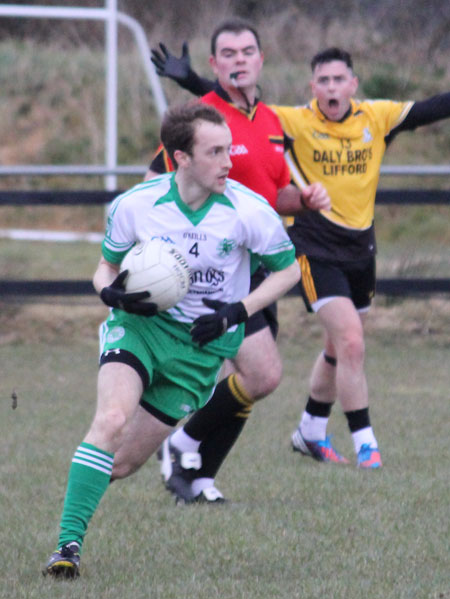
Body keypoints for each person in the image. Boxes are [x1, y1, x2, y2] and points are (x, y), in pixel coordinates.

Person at [148, 44, 450, 469]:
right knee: (349, 340)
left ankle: (311, 428)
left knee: (338, 345)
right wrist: (193, 81)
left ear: (353, 84)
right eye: (322, 80)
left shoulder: (377, 117)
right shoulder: (293, 120)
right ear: (312, 87)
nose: (331, 87)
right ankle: (367, 444)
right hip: (313, 245)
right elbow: (240, 109)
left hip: (361, 247)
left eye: (338, 79)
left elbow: (431, 108)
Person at [43, 102, 300, 578]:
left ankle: (88, 475)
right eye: (215, 151)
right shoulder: (137, 205)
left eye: (228, 149)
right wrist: (111, 292)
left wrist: (236, 312)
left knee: (119, 465)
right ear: (181, 157)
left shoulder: (248, 211)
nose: (229, 162)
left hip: (199, 353)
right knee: (112, 417)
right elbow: (106, 267)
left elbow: (288, 271)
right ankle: (67, 548)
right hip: (140, 328)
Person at [136, 18, 330, 504]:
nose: (239, 59)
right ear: (214, 65)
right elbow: (150, 183)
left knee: (246, 380)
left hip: (260, 265)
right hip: (215, 271)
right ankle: (180, 444)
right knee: (260, 374)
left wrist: (303, 198)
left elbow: (273, 194)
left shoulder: (271, 122)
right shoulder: (202, 119)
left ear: (261, 59)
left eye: (248, 51)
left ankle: (196, 474)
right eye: (229, 53)